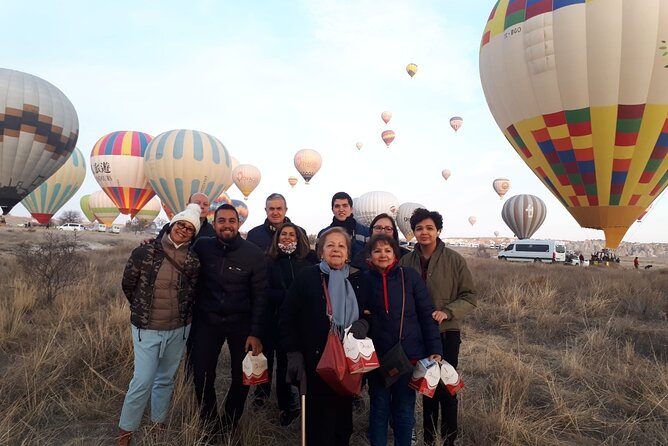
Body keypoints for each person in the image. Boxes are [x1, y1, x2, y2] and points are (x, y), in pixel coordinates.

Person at [117, 204, 201, 446]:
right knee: (142, 380)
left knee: (165, 378)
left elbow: (193, 291)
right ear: (172, 225)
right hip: (148, 328)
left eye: (189, 229)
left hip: (178, 328)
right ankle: (125, 431)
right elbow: (128, 284)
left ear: (193, 234)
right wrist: (141, 308)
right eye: (181, 225)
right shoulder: (144, 252)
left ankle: (158, 424)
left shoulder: (193, 260)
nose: (183, 231)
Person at [279, 227, 369, 446]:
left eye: (341, 246)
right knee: (318, 425)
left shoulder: (359, 279)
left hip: (347, 363)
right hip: (315, 363)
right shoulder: (307, 277)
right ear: (320, 251)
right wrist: (293, 353)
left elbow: (370, 313)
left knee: (342, 424)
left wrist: (364, 324)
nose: (336, 250)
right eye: (330, 245)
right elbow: (287, 317)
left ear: (348, 252)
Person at [188, 203, 268, 440]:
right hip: (206, 321)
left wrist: (256, 332)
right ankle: (210, 424)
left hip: (240, 323)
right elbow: (176, 248)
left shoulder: (253, 254)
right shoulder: (201, 246)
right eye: (221, 221)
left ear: (239, 223)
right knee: (201, 376)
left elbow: (261, 296)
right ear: (214, 224)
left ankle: (230, 421)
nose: (227, 225)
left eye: (231, 221)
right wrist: (152, 246)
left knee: (242, 376)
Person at [399, 208, 477, 446]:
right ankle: (429, 439)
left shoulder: (454, 260)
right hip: (418, 336)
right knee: (427, 388)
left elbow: (470, 296)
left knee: (447, 389)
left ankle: (449, 440)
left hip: (446, 334)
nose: (424, 232)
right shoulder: (406, 261)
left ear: (439, 230)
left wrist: (448, 311)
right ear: (413, 232)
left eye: (429, 228)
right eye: (419, 228)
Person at [363, 234, 442, 446]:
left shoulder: (410, 277)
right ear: (370, 255)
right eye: (377, 250)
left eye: (388, 250)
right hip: (377, 359)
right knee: (379, 410)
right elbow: (359, 316)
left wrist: (435, 347)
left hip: (408, 356)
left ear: (396, 254)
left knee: (405, 411)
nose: (383, 255)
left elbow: (426, 313)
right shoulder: (364, 280)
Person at [260, 222, 317, 425]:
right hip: (276, 321)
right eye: (283, 234)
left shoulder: (307, 262)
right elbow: (263, 290)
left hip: (303, 322)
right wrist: (287, 296)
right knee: (282, 366)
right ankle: (286, 407)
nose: (287, 237)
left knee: (305, 364)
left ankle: (308, 406)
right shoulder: (269, 261)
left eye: (291, 234)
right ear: (277, 238)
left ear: (298, 238)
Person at [318, 191, 370, 261]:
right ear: (332, 210)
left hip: (360, 271)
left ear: (351, 209)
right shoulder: (323, 234)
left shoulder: (366, 232)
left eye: (345, 206)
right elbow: (319, 257)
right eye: (337, 206)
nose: (341, 209)